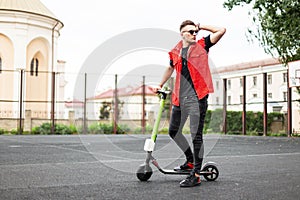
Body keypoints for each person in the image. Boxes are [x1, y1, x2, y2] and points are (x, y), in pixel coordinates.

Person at [154, 20, 226, 187]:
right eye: (190, 32)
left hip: (197, 98)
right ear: (182, 34)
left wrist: (202, 26)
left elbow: (221, 30)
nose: (194, 34)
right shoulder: (175, 52)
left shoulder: (202, 45)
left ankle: (196, 175)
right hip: (180, 98)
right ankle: (190, 161)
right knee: (173, 131)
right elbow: (170, 68)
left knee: (196, 136)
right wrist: (160, 84)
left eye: (195, 31)